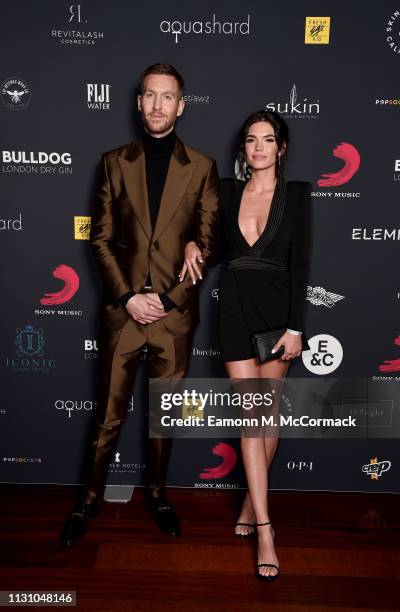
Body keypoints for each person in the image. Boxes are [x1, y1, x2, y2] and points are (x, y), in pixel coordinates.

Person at [60, 63, 219, 547]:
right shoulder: (113, 162)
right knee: (108, 415)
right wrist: (129, 298)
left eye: (167, 97)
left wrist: (168, 299)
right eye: (150, 96)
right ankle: (88, 499)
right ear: (138, 102)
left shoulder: (204, 168)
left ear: (181, 105)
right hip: (122, 314)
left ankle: (157, 494)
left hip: (173, 318)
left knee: (164, 417)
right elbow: (101, 240)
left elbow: (207, 245)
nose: (157, 105)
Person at [180, 110, 312, 580]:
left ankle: (248, 503)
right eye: (252, 140)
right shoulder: (228, 189)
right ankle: (266, 529)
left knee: (268, 416)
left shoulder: (296, 196)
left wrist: (297, 327)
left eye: (268, 140)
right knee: (252, 417)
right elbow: (216, 247)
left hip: (278, 312)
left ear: (282, 148)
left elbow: (301, 266)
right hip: (234, 306)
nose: (259, 147)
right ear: (244, 148)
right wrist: (196, 246)